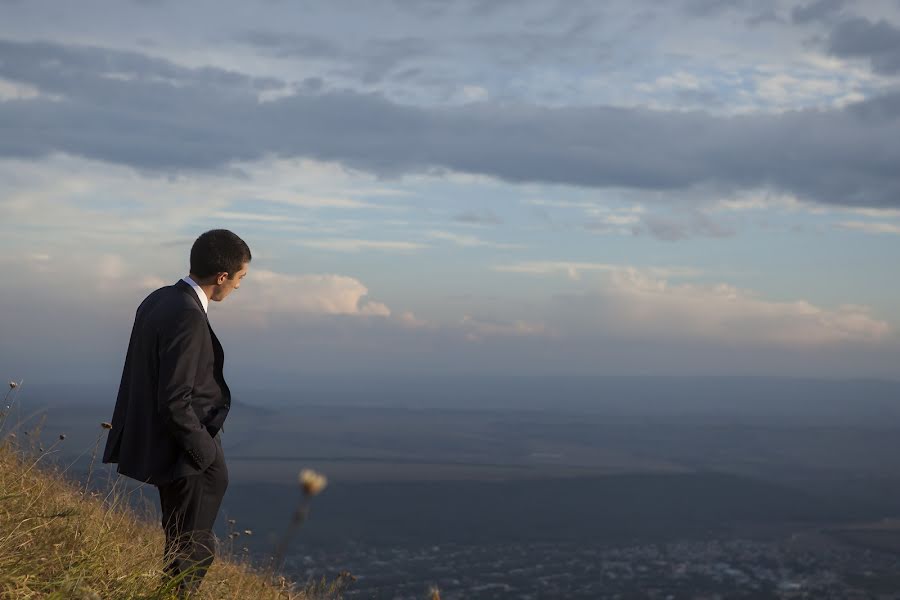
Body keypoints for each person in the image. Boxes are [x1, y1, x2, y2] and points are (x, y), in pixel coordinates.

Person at [103, 229, 250, 596]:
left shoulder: (159, 299)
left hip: (168, 446)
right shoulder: (187, 314)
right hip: (186, 452)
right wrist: (204, 450)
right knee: (192, 552)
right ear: (222, 277)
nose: (238, 287)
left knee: (180, 543)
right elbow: (174, 398)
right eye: (240, 279)